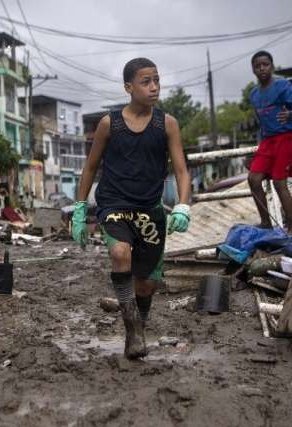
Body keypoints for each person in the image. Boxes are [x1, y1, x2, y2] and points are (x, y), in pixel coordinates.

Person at [71, 57, 192, 359]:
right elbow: (90, 168)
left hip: (149, 210)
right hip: (114, 204)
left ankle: (141, 321)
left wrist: (182, 206)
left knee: (146, 285)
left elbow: (181, 170)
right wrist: (80, 209)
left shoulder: (167, 124)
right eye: (145, 81)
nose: (154, 87)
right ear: (128, 87)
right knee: (119, 253)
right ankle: (132, 330)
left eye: (156, 80)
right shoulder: (108, 124)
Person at [247, 50, 292, 235]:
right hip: (267, 140)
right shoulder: (254, 94)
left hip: (285, 137)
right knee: (253, 179)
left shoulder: (282, 85)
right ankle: (266, 222)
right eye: (258, 66)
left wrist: (291, 113)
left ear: (271, 66)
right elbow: (261, 121)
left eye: (265, 64)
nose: (262, 68)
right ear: (253, 70)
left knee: (280, 183)